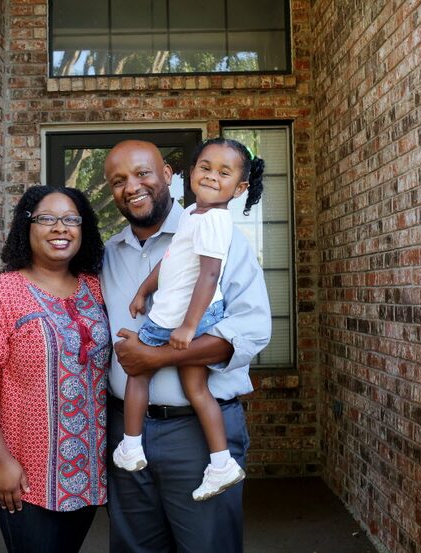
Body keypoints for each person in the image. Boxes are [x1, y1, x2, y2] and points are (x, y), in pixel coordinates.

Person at [101, 139, 271, 552]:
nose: (132, 187)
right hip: (127, 431)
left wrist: (155, 357)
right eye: (119, 180)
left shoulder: (223, 237)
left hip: (196, 433)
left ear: (168, 175)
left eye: (142, 174)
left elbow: (251, 331)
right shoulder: (108, 253)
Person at [0, 186, 109, 553]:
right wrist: (0, 461)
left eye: (71, 220)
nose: (61, 228)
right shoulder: (1, 294)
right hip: (25, 473)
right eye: (47, 219)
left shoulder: (96, 288)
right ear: (27, 227)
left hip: (87, 470)